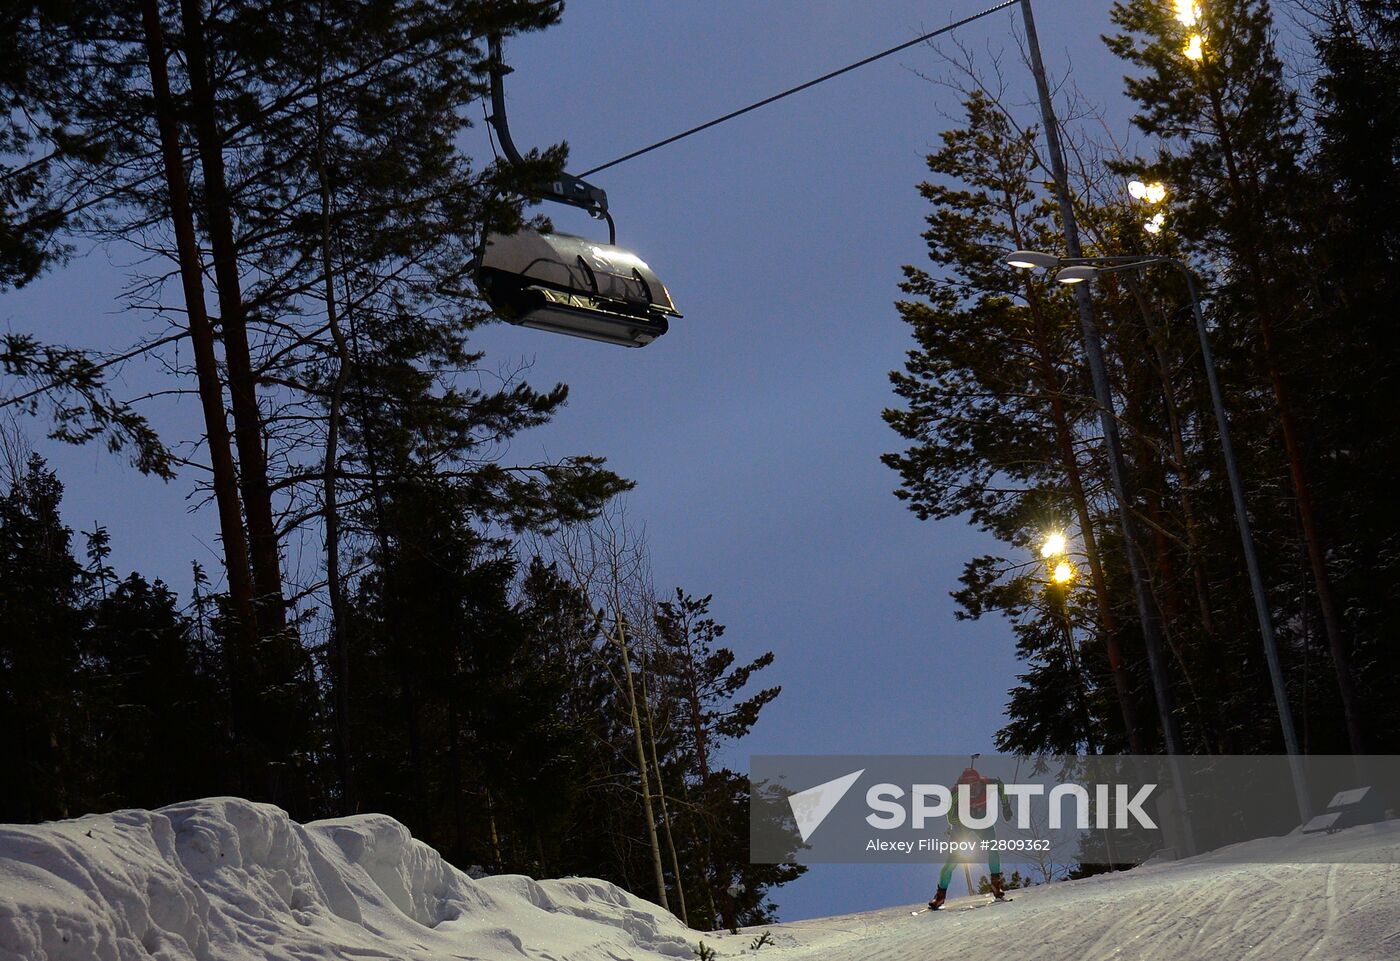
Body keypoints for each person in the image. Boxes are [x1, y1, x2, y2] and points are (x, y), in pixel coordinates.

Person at [928, 764, 1014, 910]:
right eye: (968, 787)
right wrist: (963, 820)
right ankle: (940, 895)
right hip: (963, 824)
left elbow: (1000, 785)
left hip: (983, 820)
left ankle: (996, 885)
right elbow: (950, 818)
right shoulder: (956, 793)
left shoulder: (987, 784)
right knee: (952, 860)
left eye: (975, 785)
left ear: (979, 781)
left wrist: (1006, 806)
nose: (973, 789)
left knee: (993, 848)